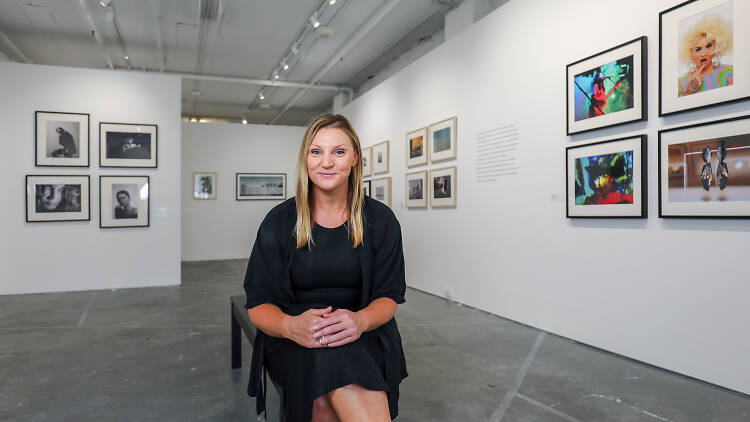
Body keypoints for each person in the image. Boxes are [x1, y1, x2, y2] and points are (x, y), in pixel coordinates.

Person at [243, 114, 407, 422]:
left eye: (339, 152)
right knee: (323, 383)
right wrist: (290, 327)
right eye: (316, 151)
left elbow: (389, 296)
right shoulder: (279, 221)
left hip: (364, 329)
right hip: (292, 334)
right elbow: (258, 304)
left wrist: (359, 320)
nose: (326, 162)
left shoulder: (381, 220)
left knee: (326, 391)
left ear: (355, 158)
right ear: (305, 157)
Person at [678, 13, 733, 97]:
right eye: (698, 49)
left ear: (717, 46)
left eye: (708, 46)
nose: (704, 54)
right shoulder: (681, 82)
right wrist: (689, 91)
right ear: (690, 52)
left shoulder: (729, 72)